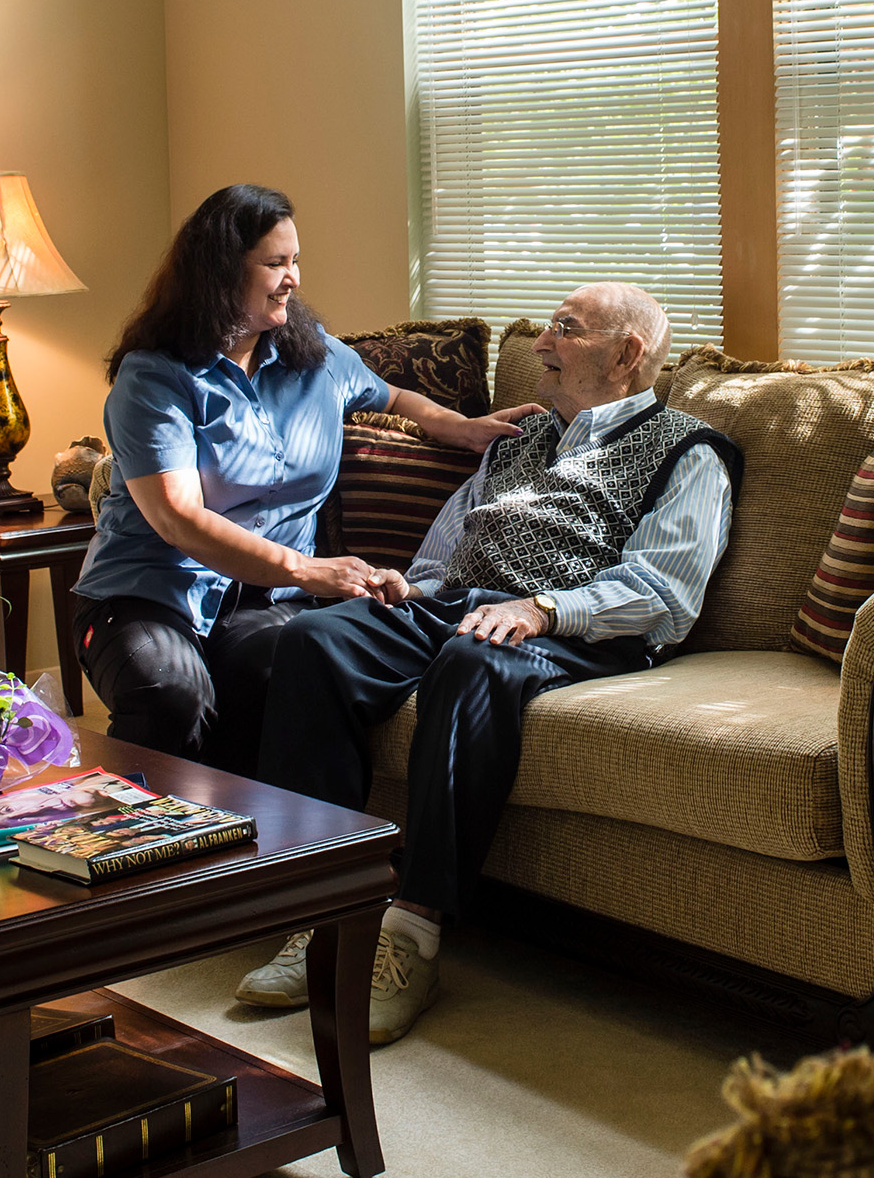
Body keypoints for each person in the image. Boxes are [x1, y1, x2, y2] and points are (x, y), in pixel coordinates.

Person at [234, 282, 738, 1045]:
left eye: (566, 330)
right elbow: (445, 552)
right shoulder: (520, 439)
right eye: (548, 328)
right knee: (312, 640)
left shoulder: (689, 449)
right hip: (458, 604)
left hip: (574, 626)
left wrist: (541, 609)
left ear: (629, 354)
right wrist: (406, 586)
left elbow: (666, 591)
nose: (541, 344)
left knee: (473, 660)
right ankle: (325, 911)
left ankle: (411, 938)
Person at [72, 184, 534, 773]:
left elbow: (392, 395)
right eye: (275, 263)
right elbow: (177, 519)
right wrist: (310, 570)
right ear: (218, 271)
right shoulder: (154, 379)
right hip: (147, 594)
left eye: (295, 261)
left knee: (286, 679)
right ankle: (139, 850)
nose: (293, 278)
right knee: (174, 698)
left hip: (261, 603)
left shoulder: (315, 357)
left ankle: (262, 854)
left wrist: (461, 427)